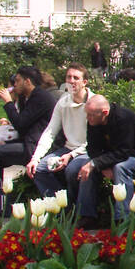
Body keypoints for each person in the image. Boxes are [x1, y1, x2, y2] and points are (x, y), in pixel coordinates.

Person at [0, 66, 57, 208]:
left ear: (27, 82)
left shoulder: (41, 98)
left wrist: (8, 103)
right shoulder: (26, 97)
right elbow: (21, 124)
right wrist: (4, 141)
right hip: (26, 141)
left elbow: (21, 124)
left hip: (36, 148)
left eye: (17, 81)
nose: (14, 84)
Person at [77, 93, 135, 226]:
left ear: (105, 112)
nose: (88, 118)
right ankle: (86, 216)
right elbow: (92, 149)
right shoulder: (93, 121)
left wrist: (96, 163)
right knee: (85, 169)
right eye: (87, 114)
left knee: (121, 168)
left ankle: (123, 220)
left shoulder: (124, 118)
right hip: (116, 158)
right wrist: (101, 166)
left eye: (91, 115)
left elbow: (123, 152)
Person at [27, 64, 92, 200]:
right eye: (69, 77)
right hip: (67, 149)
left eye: (76, 78)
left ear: (84, 82)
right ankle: (62, 205)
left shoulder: (94, 102)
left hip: (88, 150)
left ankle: (76, 210)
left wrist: (71, 155)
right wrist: (35, 159)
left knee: (72, 170)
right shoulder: (63, 102)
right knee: (39, 169)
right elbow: (50, 132)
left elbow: (94, 140)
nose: (72, 81)